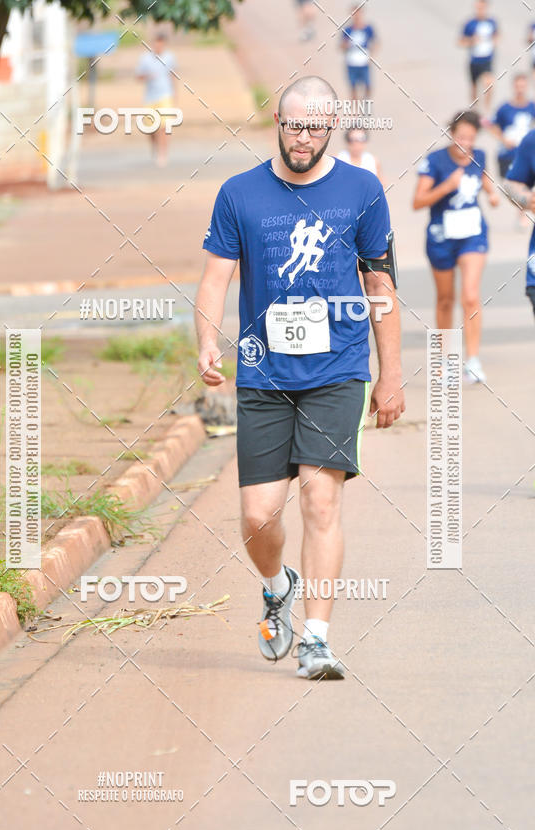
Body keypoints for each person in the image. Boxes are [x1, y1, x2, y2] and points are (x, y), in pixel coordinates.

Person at [196, 76, 404, 680]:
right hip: (263, 374)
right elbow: (214, 279)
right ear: (278, 125)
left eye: (315, 127)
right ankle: (276, 585)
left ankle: (317, 640)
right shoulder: (239, 194)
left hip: (337, 369)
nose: (303, 138)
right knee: (258, 517)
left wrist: (390, 374)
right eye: (294, 126)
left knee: (320, 496)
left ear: (331, 127)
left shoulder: (362, 190)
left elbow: (380, 286)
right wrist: (207, 341)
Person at [413, 110, 499, 384]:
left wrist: (492, 194)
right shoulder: (435, 161)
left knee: (470, 296)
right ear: (451, 134)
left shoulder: (479, 156)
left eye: (470, 138)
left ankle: (472, 360)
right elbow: (418, 201)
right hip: (441, 236)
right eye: (461, 137)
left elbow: (483, 179)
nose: (465, 143)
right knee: (445, 299)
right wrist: (446, 186)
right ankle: (445, 358)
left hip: (472, 234)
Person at [504, 130, 535, 319]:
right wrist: (527, 199)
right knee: (446, 298)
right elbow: (511, 185)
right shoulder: (532, 140)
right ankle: (443, 337)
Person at [135, 31, 177, 167]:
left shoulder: (170, 57)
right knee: (151, 128)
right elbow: (138, 76)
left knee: (163, 127)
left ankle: (163, 153)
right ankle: (155, 148)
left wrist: (175, 95)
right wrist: (147, 76)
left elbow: (173, 76)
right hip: (150, 98)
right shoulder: (145, 59)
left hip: (165, 95)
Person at [459, 0, 499, 121]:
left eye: (482, 8)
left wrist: (495, 41)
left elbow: (497, 36)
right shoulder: (470, 23)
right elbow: (460, 41)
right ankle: (475, 111)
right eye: (478, 8)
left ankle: (487, 111)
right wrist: (472, 40)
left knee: (489, 84)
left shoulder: (492, 22)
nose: (480, 11)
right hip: (474, 60)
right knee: (474, 87)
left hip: (487, 60)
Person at [490, 73, 535, 179]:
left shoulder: (532, 107)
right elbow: (492, 126)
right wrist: (504, 140)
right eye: (518, 86)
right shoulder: (504, 107)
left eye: (522, 86)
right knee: (509, 185)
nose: (520, 90)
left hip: (525, 154)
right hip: (507, 154)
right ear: (513, 87)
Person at [341, 6, 377, 101]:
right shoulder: (347, 30)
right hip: (351, 62)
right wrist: (345, 45)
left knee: (368, 85)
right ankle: (356, 107)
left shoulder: (368, 28)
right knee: (353, 87)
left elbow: (375, 42)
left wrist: (371, 55)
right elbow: (341, 46)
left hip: (364, 62)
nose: (356, 16)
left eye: (358, 13)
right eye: (354, 14)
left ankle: (365, 101)